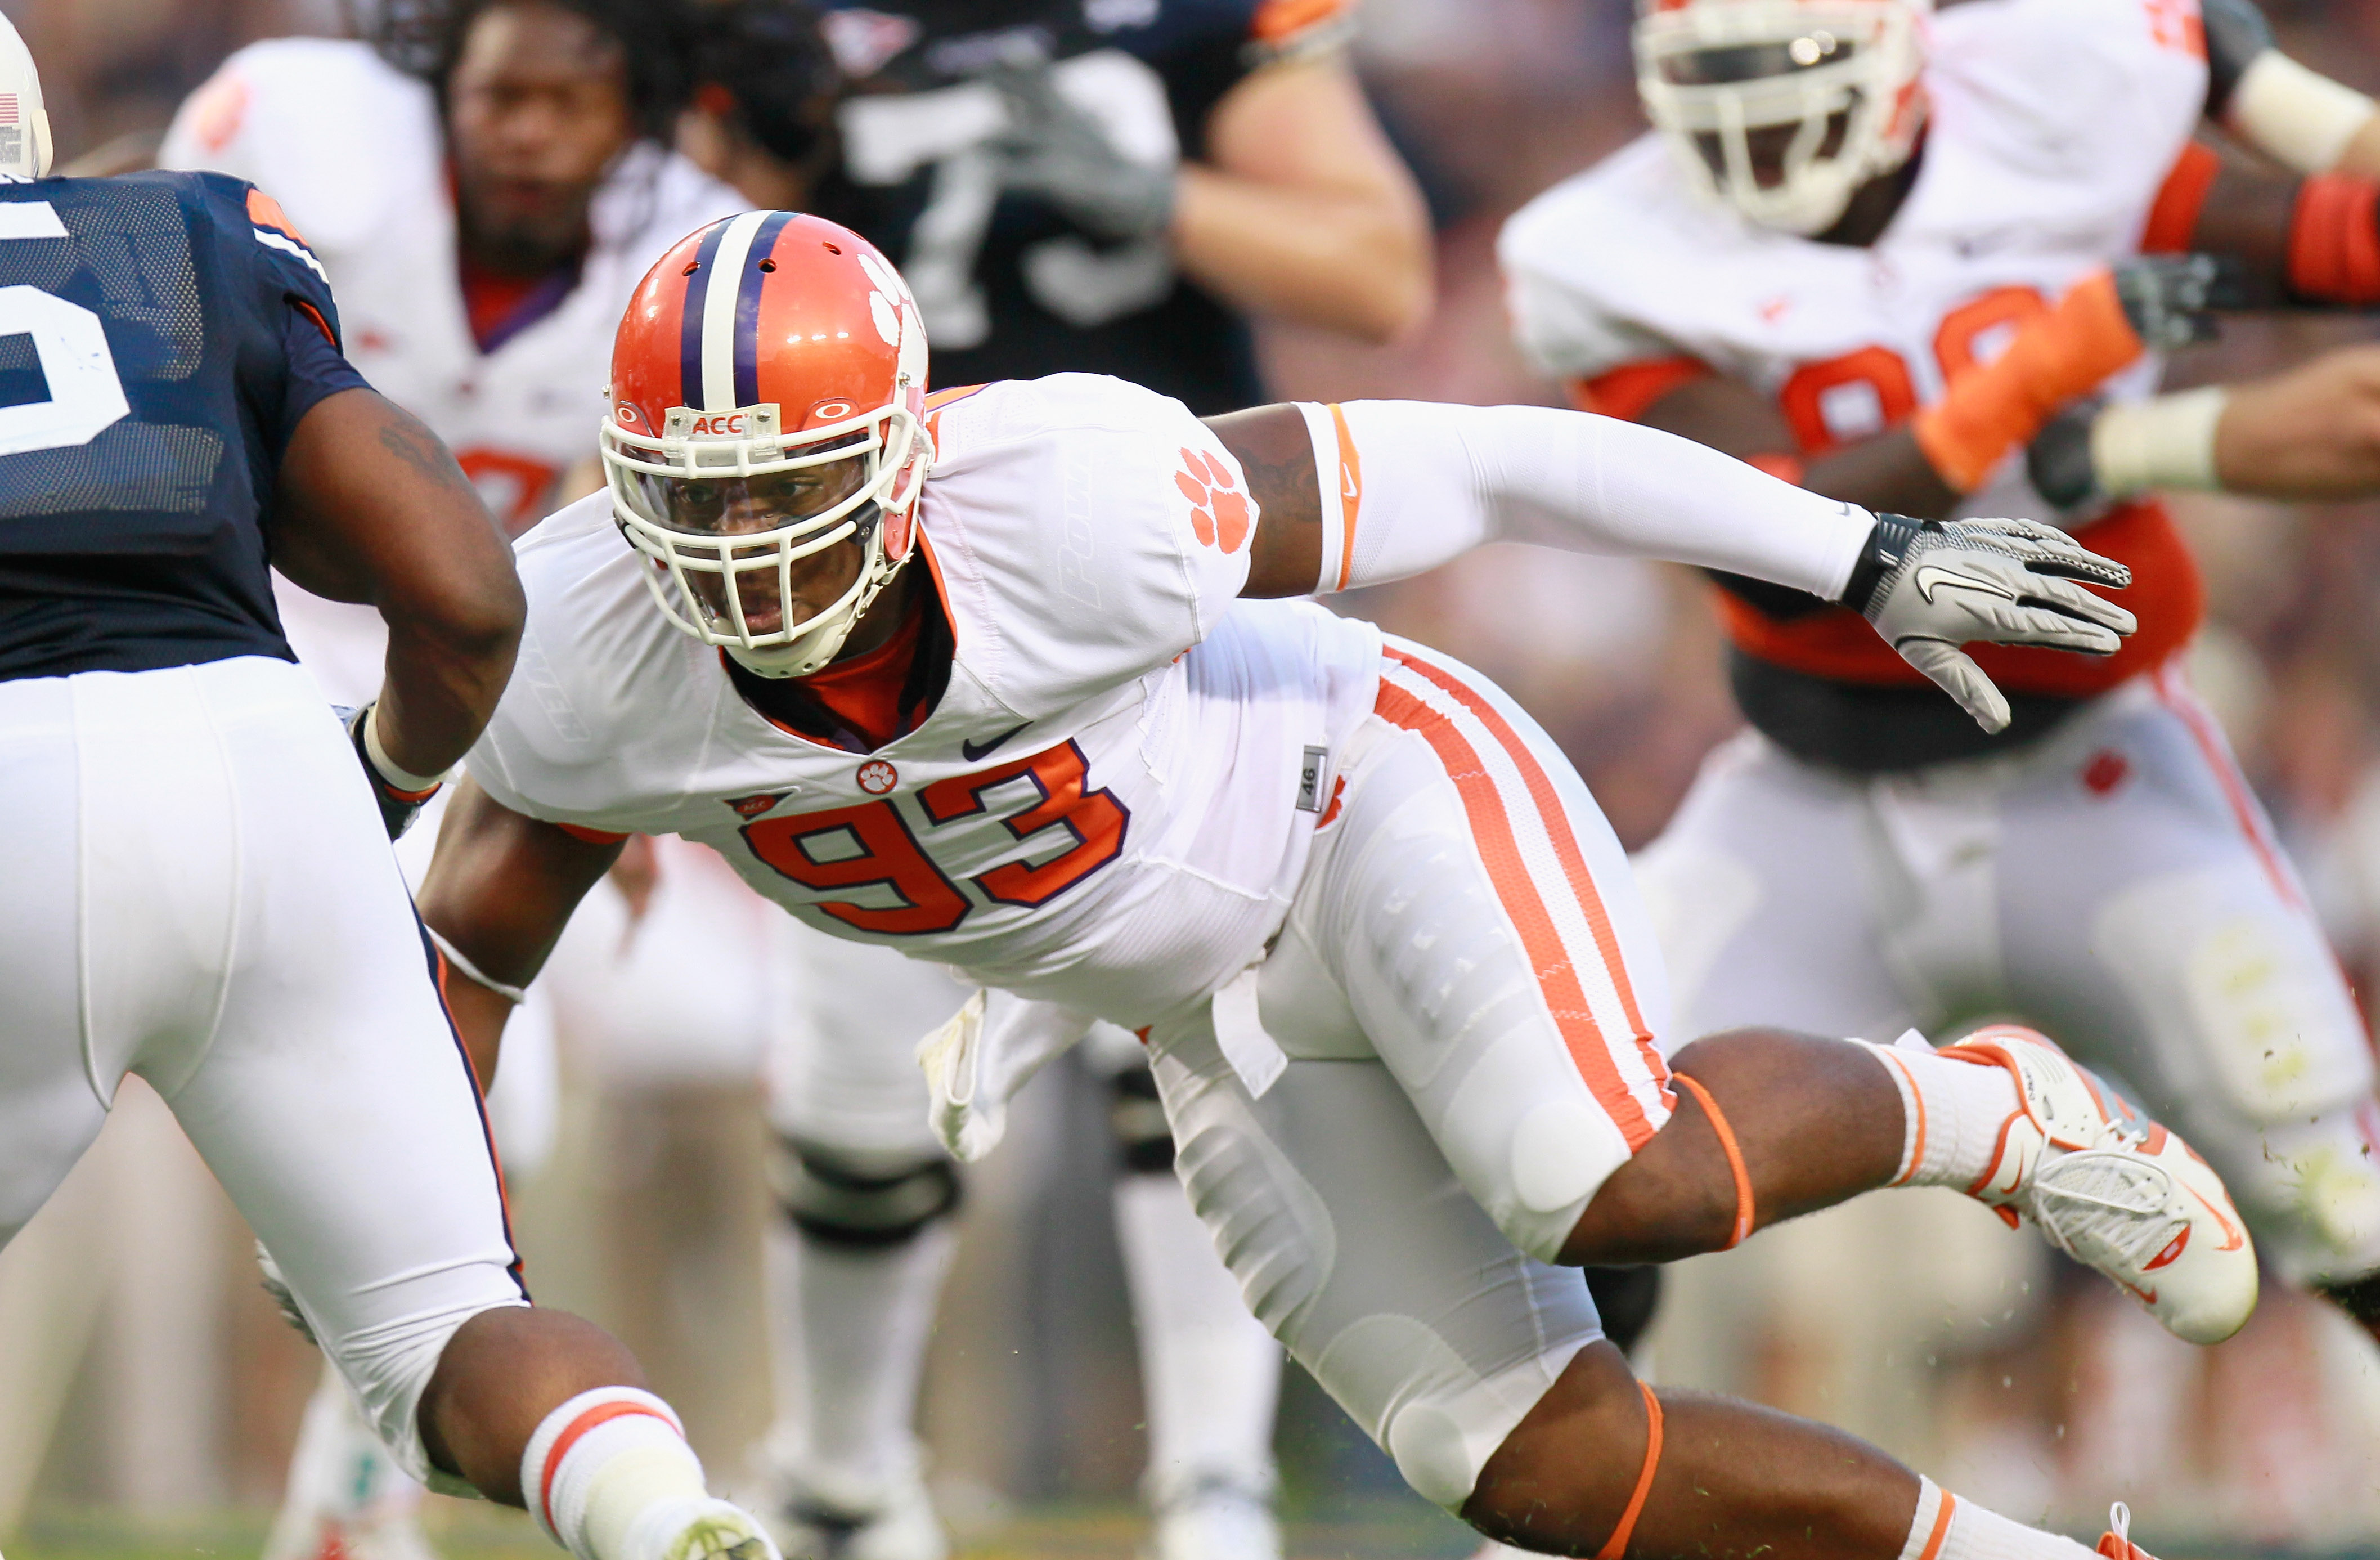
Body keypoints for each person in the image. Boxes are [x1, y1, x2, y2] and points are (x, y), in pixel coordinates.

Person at [418, 207, 2246, 1560]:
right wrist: (410, 1214)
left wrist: (1859, 553)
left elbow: (1493, 461)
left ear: (907, 443)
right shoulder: (579, 658)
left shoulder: (1084, 502)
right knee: (1535, 1465)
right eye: (698, 499)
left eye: (791, 487)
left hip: (1355, 795)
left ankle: (1997, 1109)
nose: (747, 553)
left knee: (1606, 1177)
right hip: (1196, 1002)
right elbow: (467, 953)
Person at [1494, 0, 2380, 1378]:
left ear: (1904, 60)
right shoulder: (1609, 252)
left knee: (2334, 1188)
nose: (1759, 137)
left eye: (1791, 88)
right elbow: (1771, 539)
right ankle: (1563, 1512)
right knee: (1584, 1160)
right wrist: (2037, 377)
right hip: (1808, 801)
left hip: (2100, 770)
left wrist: (2286, 101)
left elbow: (2352, 239)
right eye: (1719, 92)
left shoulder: (2051, 126)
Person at [0, 21, 779, 1560]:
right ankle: (659, 1513)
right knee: (454, 1324)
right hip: (265, 755)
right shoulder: (198, 224)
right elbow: (470, 596)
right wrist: (386, 785)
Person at [673, 5, 1435, 1556]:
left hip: (1149, 587)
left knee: (1200, 1023)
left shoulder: (1187, 22)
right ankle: (839, 1472)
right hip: (876, 603)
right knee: (860, 1091)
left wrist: (1162, 202)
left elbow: (1377, 273)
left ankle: (1210, 1478)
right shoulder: (783, 35)